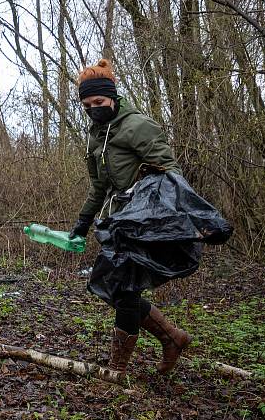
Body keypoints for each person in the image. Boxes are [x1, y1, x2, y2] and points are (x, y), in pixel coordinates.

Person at [67, 59, 191, 379]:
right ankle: (172, 338)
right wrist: (82, 222)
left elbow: (171, 173)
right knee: (115, 289)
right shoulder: (97, 136)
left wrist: (163, 215)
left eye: (99, 102)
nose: (94, 109)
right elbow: (98, 187)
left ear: (113, 97)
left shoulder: (138, 126)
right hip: (116, 222)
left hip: (143, 221)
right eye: (87, 105)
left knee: (123, 288)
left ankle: (118, 370)